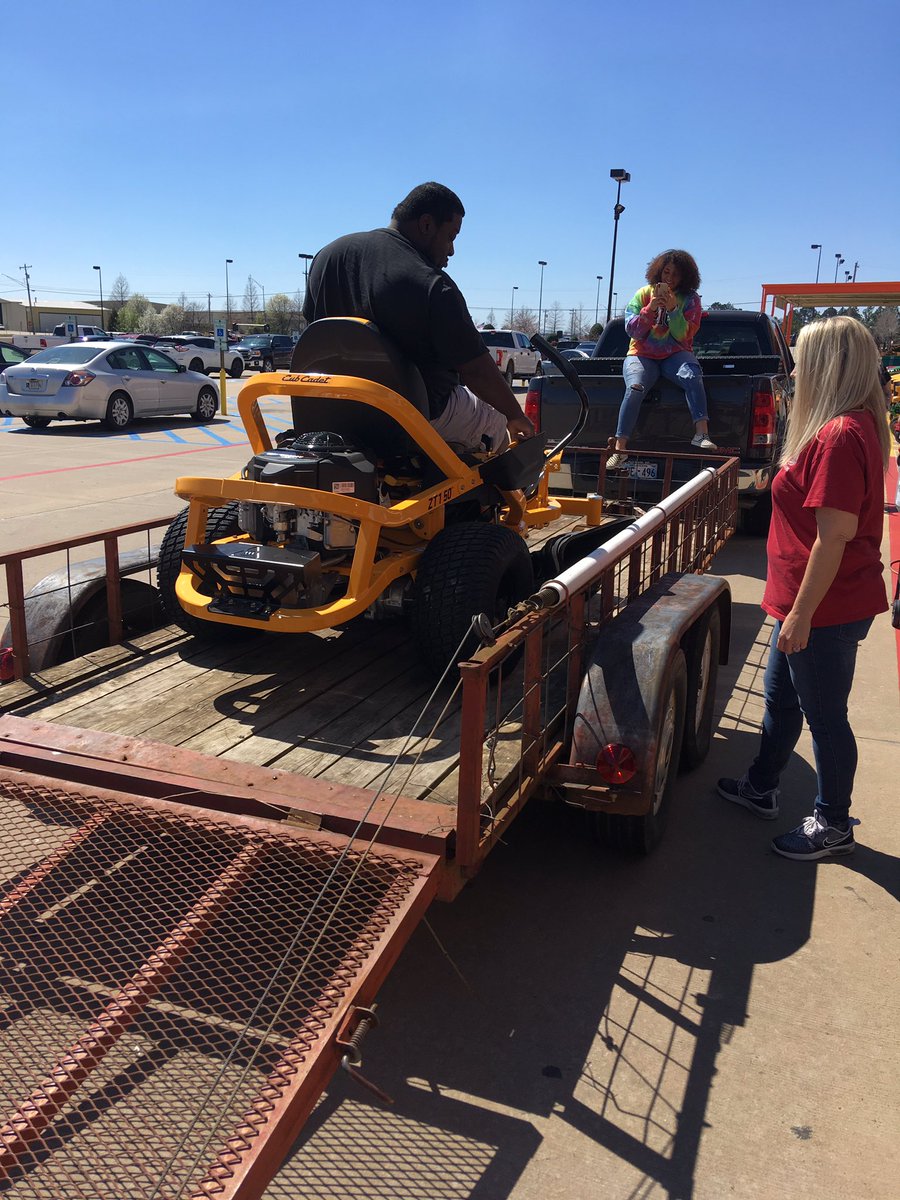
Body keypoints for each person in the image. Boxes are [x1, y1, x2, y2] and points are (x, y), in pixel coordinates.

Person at [717, 316, 891, 860]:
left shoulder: (840, 434)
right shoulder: (843, 427)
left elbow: (834, 537)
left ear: (828, 366)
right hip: (804, 601)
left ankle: (833, 823)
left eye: (801, 359)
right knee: (781, 697)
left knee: (824, 717)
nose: (792, 371)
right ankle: (762, 784)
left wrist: (801, 615)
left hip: (823, 607)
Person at [302, 182, 533, 451]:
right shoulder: (432, 284)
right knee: (495, 418)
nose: (451, 250)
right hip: (408, 418)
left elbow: (314, 334)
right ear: (426, 225)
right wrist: (515, 416)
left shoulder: (327, 257)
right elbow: (476, 370)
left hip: (331, 411)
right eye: (451, 237)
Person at [606, 249, 717, 470]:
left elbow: (685, 335)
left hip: (675, 355)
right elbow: (633, 330)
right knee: (635, 386)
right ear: (658, 271)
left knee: (692, 374)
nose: (670, 278)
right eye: (667, 272)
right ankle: (620, 449)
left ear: (686, 277)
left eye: (676, 275)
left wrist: (674, 308)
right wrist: (650, 308)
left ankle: (701, 434)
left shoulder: (691, 300)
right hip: (641, 354)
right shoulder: (643, 294)